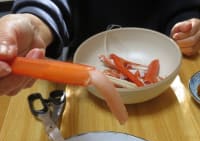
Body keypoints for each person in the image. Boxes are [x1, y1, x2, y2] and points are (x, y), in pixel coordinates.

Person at [0, 0, 200, 96]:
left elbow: (185, 6)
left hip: (166, 86)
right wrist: (35, 25)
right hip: (82, 89)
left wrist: (188, 28)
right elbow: (52, 5)